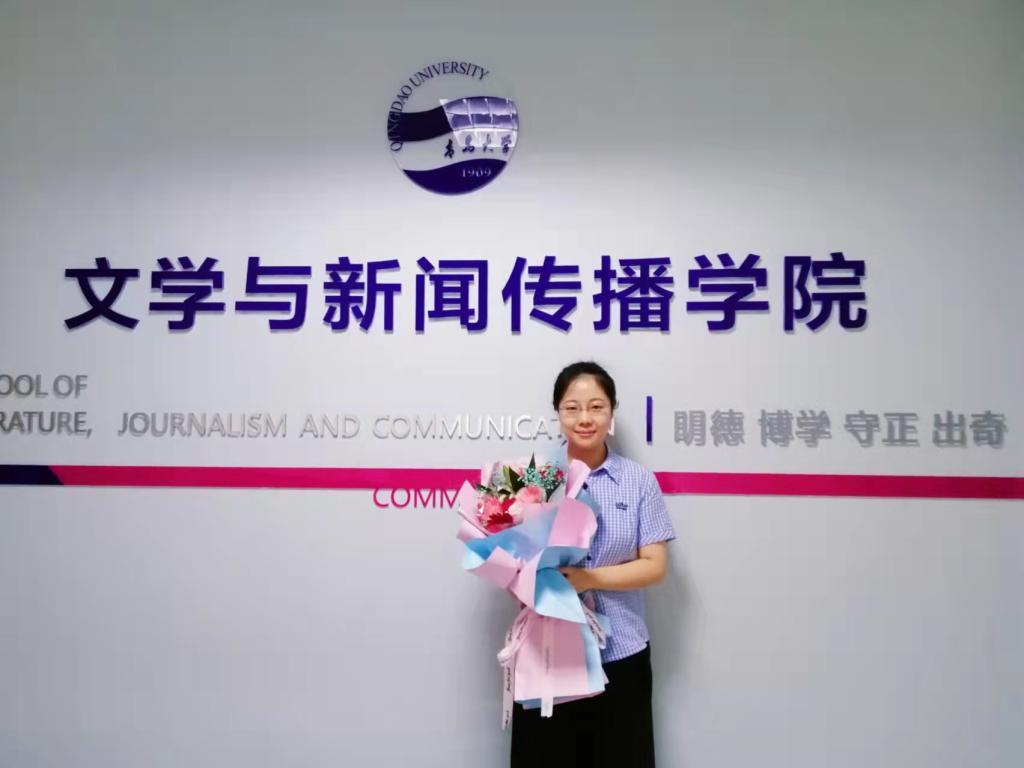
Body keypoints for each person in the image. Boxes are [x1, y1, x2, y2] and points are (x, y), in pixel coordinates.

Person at [510, 361, 676, 767]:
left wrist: (588, 578)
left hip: (621, 653)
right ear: (558, 412)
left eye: (596, 407)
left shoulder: (639, 480)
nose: (584, 418)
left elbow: (655, 566)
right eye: (572, 408)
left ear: (612, 411)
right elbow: (509, 557)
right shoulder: (533, 477)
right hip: (548, 651)